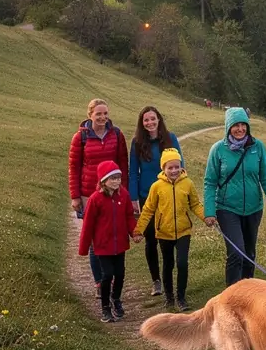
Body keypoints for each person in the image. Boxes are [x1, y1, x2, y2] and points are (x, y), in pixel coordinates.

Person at [203, 107, 266, 286]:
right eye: (235, 125)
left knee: (249, 255)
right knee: (236, 253)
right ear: (228, 127)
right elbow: (209, 182)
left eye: (243, 125)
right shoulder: (218, 150)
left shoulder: (258, 147)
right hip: (227, 209)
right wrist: (209, 212)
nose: (240, 129)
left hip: (254, 209)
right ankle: (231, 298)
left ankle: (248, 298)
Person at [133, 148, 208, 311]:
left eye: (177, 166)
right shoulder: (156, 187)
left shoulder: (188, 183)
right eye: (170, 167)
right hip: (164, 233)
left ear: (181, 167)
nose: (174, 170)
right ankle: (169, 297)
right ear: (163, 169)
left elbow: (195, 204)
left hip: (183, 231)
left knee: (182, 263)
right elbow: (147, 210)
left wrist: (206, 217)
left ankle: (181, 297)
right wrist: (139, 230)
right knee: (168, 264)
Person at [68, 98, 130, 293]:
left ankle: (111, 277)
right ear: (90, 115)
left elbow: (123, 163)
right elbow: (74, 167)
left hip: (114, 192)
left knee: (112, 232)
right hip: (89, 193)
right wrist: (75, 196)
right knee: (96, 239)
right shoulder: (81, 138)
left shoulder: (117, 135)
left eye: (105, 113)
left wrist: (124, 190)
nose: (103, 117)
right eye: (98, 114)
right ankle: (100, 281)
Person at [128, 106, 182, 297]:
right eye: (146, 120)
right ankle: (156, 280)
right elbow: (133, 172)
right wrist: (133, 198)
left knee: (167, 238)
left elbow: (179, 165)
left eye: (153, 119)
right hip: (147, 196)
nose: (150, 123)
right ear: (142, 123)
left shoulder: (170, 138)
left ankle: (170, 278)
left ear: (159, 119)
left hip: (168, 195)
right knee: (150, 239)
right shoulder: (137, 143)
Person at [78, 161, 133, 323]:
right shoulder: (95, 199)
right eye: (113, 178)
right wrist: (83, 247)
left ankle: (115, 299)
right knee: (107, 275)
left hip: (120, 244)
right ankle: (105, 307)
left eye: (118, 178)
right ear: (103, 180)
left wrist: (134, 232)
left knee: (120, 274)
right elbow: (88, 225)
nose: (117, 181)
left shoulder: (124, 195)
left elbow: (129, 216)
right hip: (102, 246)